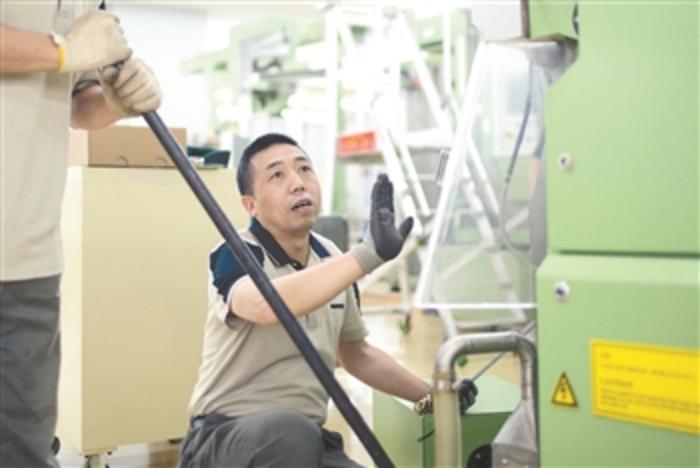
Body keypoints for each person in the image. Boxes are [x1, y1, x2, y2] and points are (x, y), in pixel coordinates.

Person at [178, 133, 478, 467]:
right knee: (290, 433)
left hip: (303, 443)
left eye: (305, 169)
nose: (297, 183)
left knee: (299, 435)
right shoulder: (235, 252)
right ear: (251, 205)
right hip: (223, 439)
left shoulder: (330, 257)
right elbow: (264, 306)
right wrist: (367, 255)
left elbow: (356, 354)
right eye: (277, 175)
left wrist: (434, 396)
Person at [0, 4, 162, 467]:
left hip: (29, 258)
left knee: (23, 451)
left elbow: (73, 100)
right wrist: (62, 50)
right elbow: (63, 55)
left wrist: (115, 99)